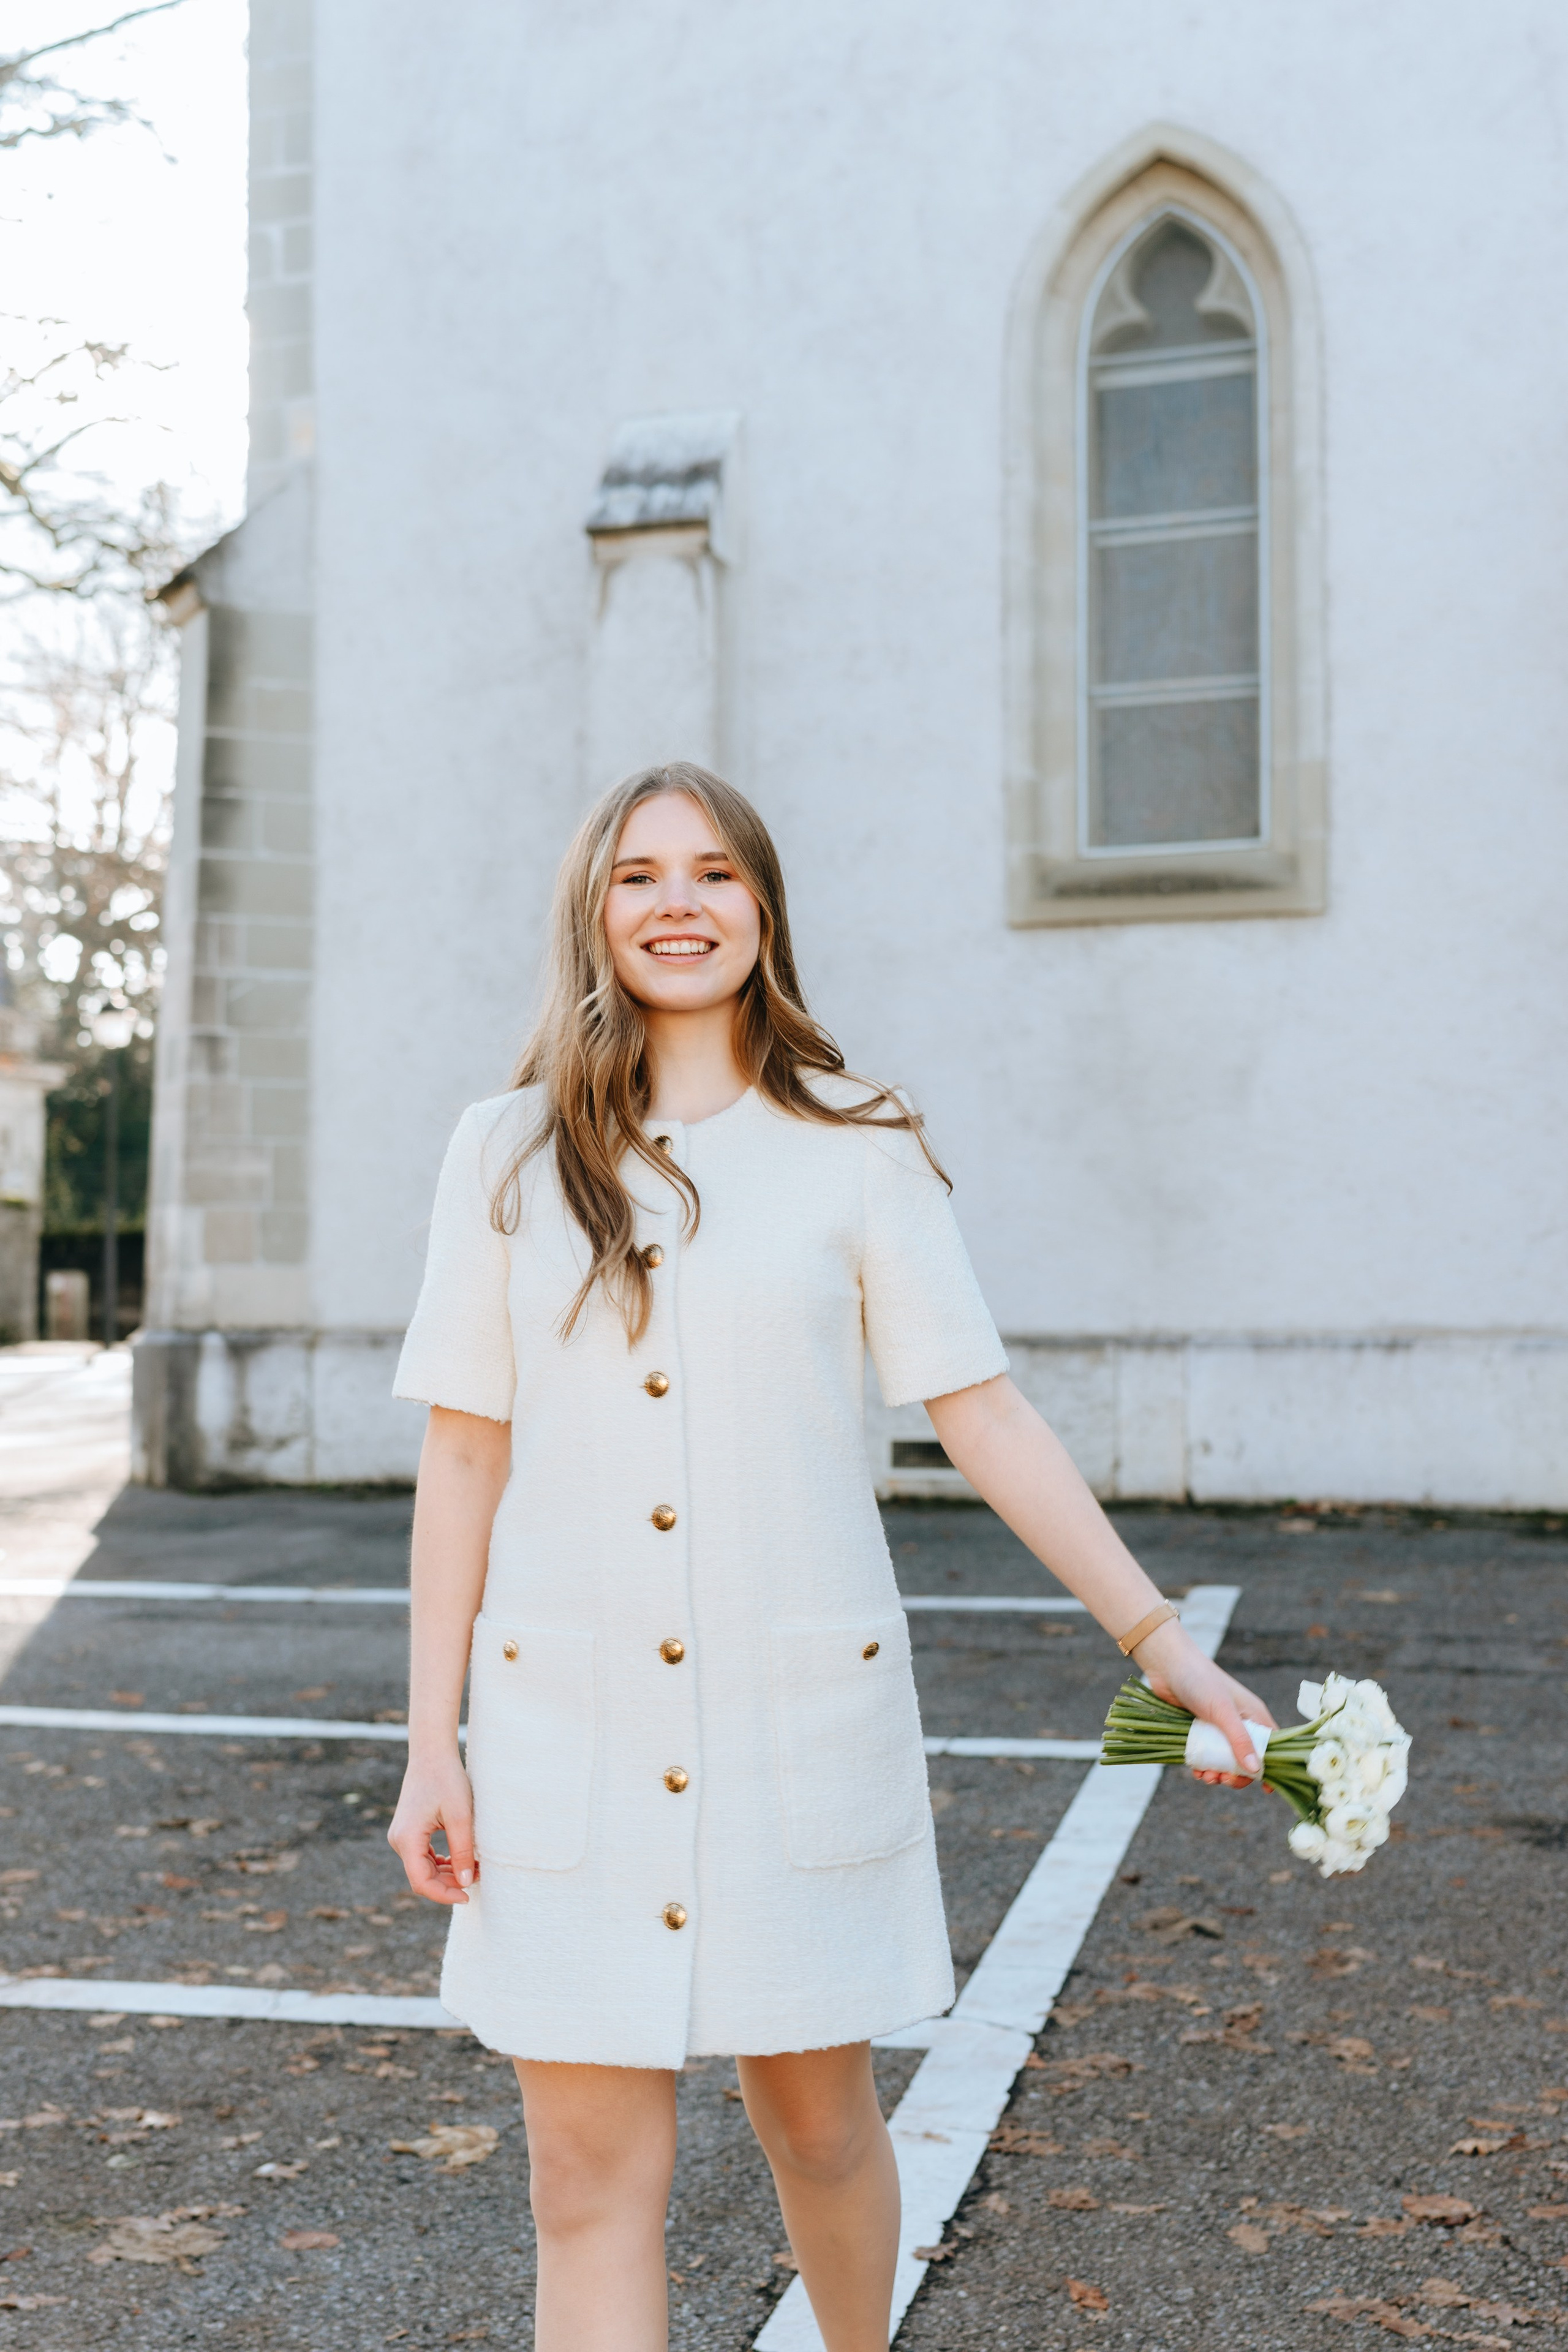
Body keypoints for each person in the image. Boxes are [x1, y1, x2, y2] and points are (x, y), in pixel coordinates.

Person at [387, 762, 1273, 2352]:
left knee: (820, 2130)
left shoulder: (859, 1142)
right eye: (639, 874)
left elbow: (982, 1412)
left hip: (795, 1724)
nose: (678, 903)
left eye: (715, 872)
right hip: (565, 1732)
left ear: (764, 909)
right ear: (593, 912)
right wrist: (429, 1743)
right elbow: (464, 1455)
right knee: (585, 2184)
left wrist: (1160, 1644)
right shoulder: (504, 1154)